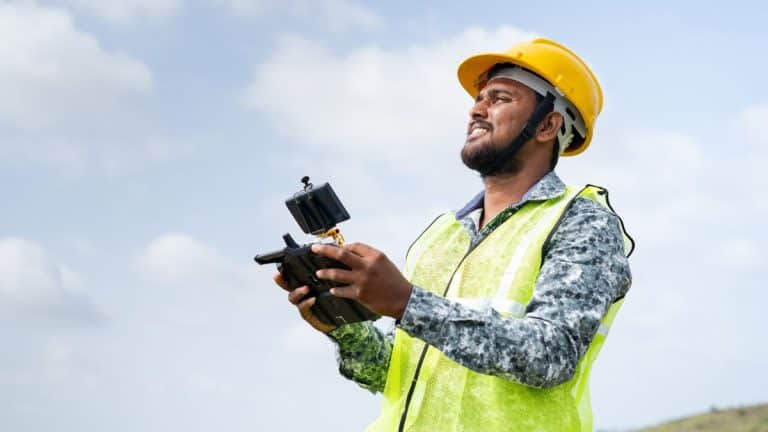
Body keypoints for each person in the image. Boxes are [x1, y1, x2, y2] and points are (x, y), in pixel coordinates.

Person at [274, 37, 634, 432]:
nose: (476, 110)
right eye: (479, 99)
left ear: (548, 124)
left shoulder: (582, 221)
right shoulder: (442, 235)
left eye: (499, 98)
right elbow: (397, 374)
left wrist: (406, 302)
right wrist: (343, 326)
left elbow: (550, 355)